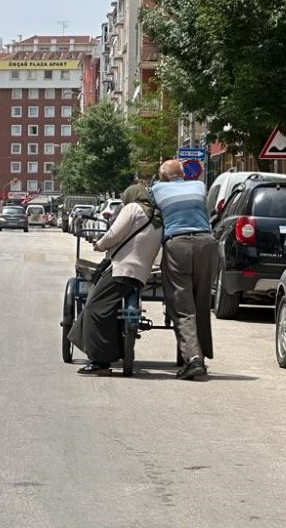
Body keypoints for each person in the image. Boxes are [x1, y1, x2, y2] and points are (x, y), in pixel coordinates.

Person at [68, 184, 163, 375]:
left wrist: (100, 245)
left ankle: (101, 362)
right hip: (140, 274)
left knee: (95, 307)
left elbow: (114, 234)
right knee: (106, 306)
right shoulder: (157, 217)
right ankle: (105, 348)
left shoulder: (133, 209)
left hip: (123, 270)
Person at [150, 158, 218, 380]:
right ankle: (201, 354)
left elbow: (153, 215)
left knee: (182, 304)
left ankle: (193, 359)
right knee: (201, 302)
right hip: (206, 243)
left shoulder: (157, 189)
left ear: (162, 176)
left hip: (178, 244)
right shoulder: (199, 186)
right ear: (184, 174)